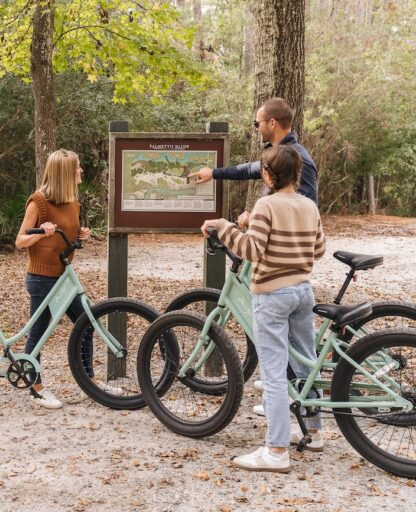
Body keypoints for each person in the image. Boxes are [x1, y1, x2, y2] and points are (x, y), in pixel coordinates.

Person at [201, 144, 326, 473]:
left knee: (273, 373)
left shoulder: (266, 205)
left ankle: (275, 450)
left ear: (269, 175)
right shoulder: (308, 206)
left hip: (272, 295)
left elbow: (250, 250)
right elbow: (319, 248)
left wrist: (224, 226)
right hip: (302, 292)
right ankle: (314, 432)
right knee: (305, 363)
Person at [15, 149, 93, 409]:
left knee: (87, 324)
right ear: (65, 173)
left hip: (63, 279)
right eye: (77, 168)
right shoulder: (38, 202)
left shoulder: (73, 202)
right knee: (38, 334)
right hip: (41, 278)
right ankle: (35, 388)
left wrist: (80, 235)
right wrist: (40, 232)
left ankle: (90, 382)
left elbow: (66, 236)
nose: (81, 171)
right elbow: (20, 241)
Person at [189, 96, 318, 206]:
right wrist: (213, 173)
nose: (256, 129)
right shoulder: (279, 155)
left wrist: (256, 219)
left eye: (257, 124)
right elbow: (248, 170)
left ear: (272, 123)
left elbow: (305, 212)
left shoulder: (299, 160)